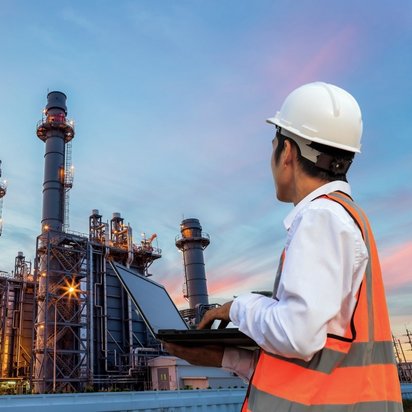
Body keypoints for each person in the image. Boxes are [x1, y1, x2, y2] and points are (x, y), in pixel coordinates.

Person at [164, 82, 403, 411]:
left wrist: (238, 308)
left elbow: (297, 336)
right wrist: (226, 357)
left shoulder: (322, 218)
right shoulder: (345, 218)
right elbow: (313, 368)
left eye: (273, 145)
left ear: (287, 151)